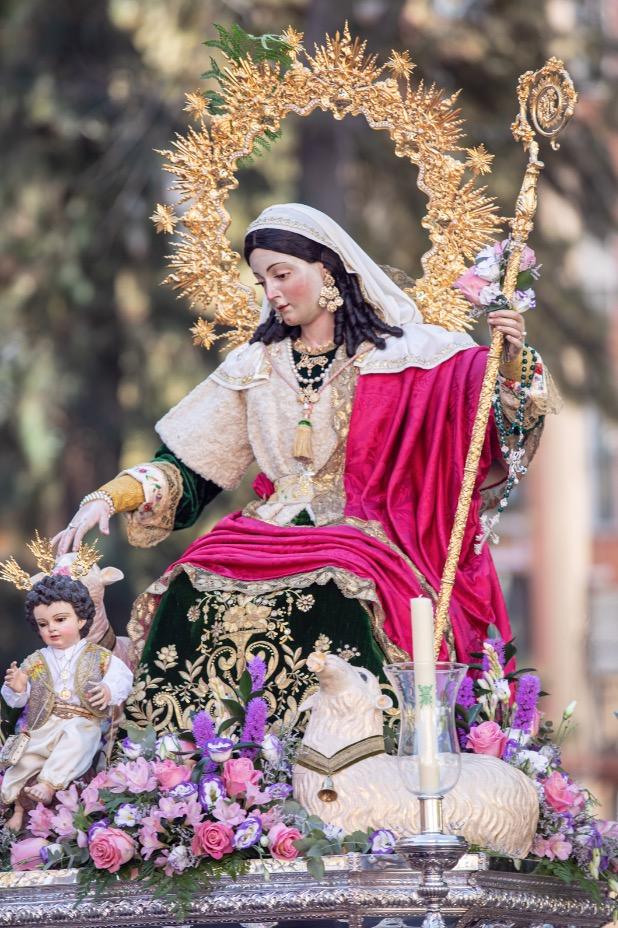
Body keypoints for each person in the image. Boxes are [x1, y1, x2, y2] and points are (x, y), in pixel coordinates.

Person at [53, 204, 558, 733]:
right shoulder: (254, 365)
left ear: (329, 270)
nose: (270, 291)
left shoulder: (413, 354)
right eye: (261, 279)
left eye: (281, 274)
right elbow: (188, 466)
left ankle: (359, 747)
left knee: (341, 581)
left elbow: (494, 420)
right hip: (267, 525)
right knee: (192, 581)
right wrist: (108, 497)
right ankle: (191, 764)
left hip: (368, 529)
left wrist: (511, 360)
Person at [1, 573, 133, 831]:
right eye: (43, 623)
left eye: (60, 620)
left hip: (83, 720)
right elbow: (18, 700)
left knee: (77, 738)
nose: (51, 628)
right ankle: (12, 800)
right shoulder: (35, 660)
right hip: (45, 723)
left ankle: (49, 784)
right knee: (26, 755)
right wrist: (17, 688)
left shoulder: (98, 656)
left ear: (81, 618)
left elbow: (122, 677)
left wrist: (108, 689)